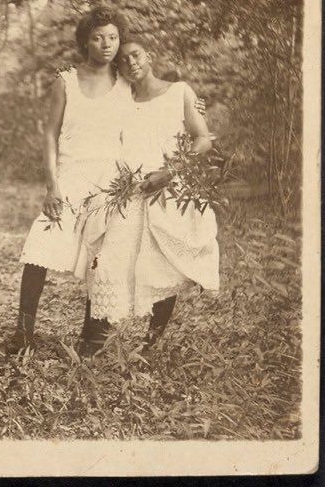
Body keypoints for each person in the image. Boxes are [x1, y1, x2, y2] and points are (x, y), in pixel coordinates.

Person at [81, 35, 220, 355]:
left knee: (161, 264)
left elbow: (202, 140)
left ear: (150, 55)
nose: (131, 63)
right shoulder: (120, 99)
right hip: (129, 189)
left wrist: (169, 172)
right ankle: (92, 339)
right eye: (124, 60)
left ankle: (150, 342)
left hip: (168, 187)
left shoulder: (180, 91)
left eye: (136, 55)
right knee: (108, 256)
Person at [5, 6, 131, 354]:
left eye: (113, 37)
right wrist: (52, 185)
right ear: (85, 42)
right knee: (38, 251)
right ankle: (23, 334)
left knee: (102, 259)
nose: (106, 44)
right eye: (97, 37)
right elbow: (50, 134)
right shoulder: (67, 80)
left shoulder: (126, 84)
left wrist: (192, 108)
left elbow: (152, 115)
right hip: (70, 177)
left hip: (110, 185)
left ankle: (92, 338)